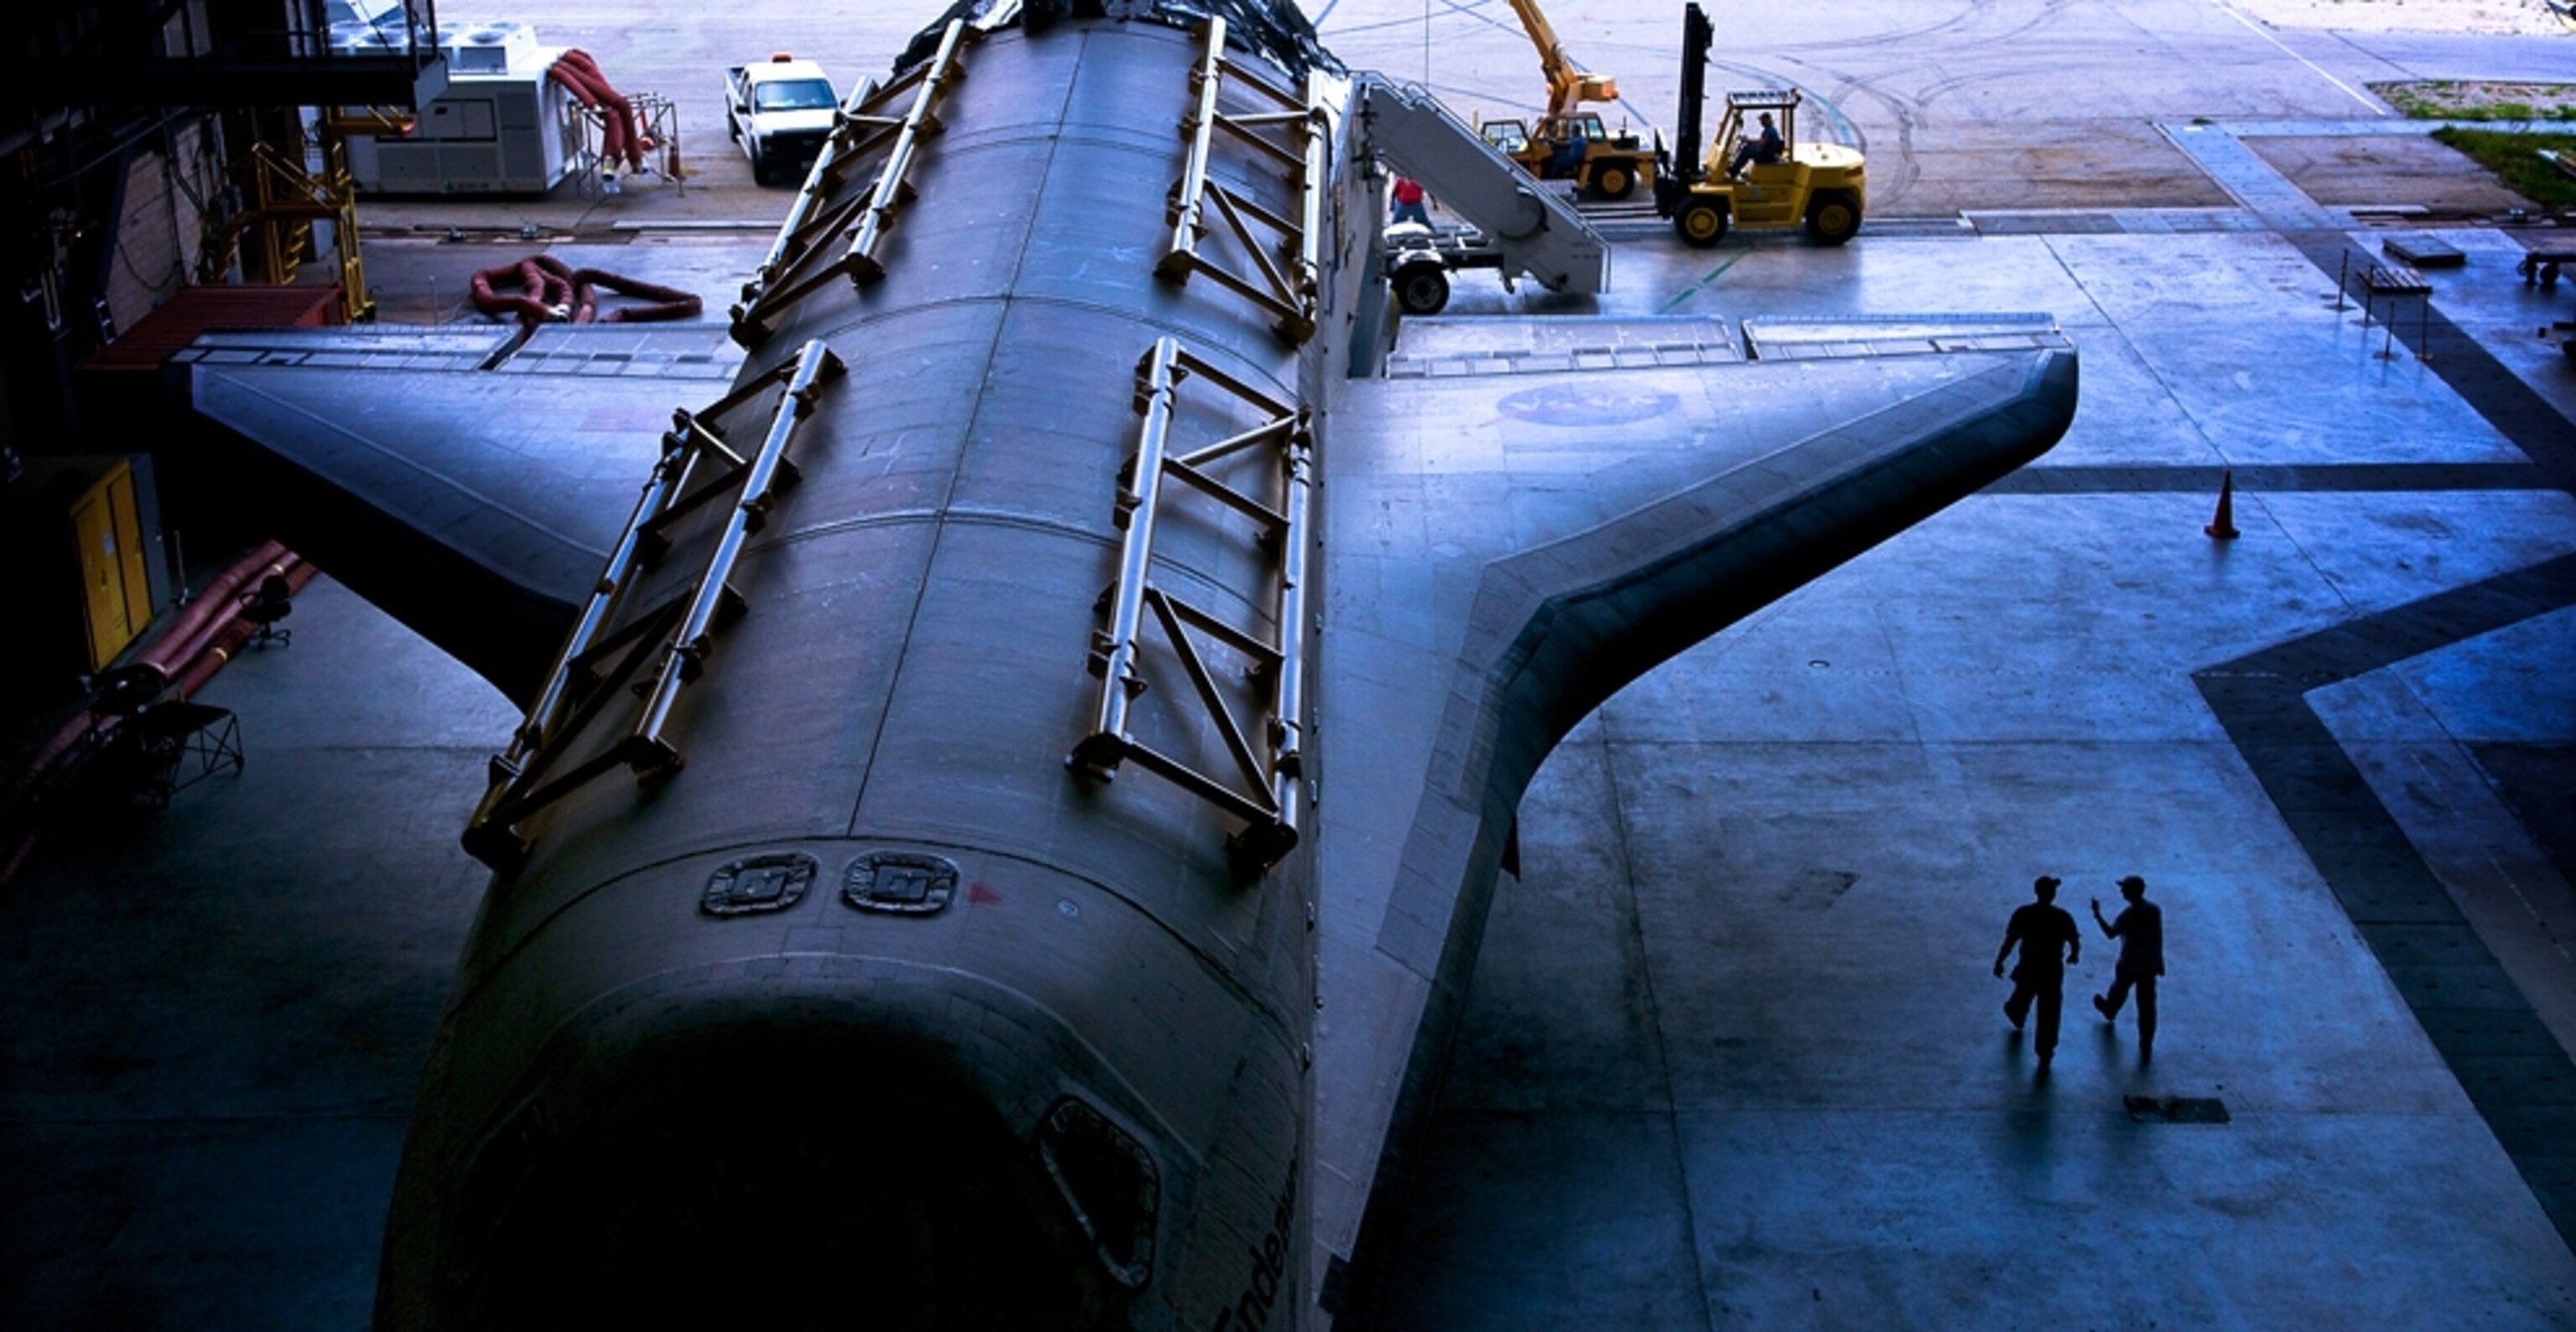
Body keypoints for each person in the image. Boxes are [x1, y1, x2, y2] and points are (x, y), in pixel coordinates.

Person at [1994, 875, 2081, 1069]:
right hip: (2051, 969)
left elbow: (2011, 940)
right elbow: (2074, 940)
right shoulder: (2062, 917)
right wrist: (2074, 954)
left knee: (2024, 993)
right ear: (2053, 894)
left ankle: (2016, 1011)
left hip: (2029, 965)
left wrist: (2000, 961)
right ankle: (2045, 1050)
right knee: (2050, 1010)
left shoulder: (2024, 914)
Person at [2091, 875, 2164, 1058]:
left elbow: (2110, 933)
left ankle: (2109, 1010)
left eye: (2124, 889)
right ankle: (2146, 1041)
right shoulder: (2154, 911)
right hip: (2148, 965)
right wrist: (2159, 961)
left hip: (2129, 962)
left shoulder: (2128, 915)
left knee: (2119, 990)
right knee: (2147, 1005)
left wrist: (2097, 914)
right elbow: (2158, 938)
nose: (2121, 891)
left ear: (2131, 892)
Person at [1728, 111, 1783, 179]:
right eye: (1761, 120)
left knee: (1747, 150)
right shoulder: (1769, 129)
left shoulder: (1770, 131)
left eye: (1763, 120)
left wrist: (1748, 141)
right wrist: (1749, 141)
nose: (1761, 122)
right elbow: (1761, 142)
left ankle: (1734, 171)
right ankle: (1735, 168)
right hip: (1766, 152)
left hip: (1767, 156)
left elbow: (1761, 144)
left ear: (1767, 120)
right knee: (1748, 148)